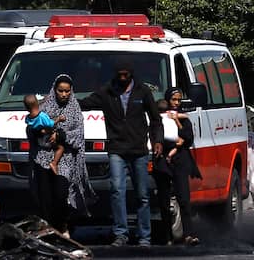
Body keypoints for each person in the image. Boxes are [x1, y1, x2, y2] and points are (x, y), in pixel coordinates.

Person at [80, 57, 162, 247]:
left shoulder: (143, 91)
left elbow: (155, 119)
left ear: (131, 73)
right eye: (120, 75)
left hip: (139, 149)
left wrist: (157, 141)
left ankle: (144, 236)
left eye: (126, 74)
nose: (123, 78)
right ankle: (121, 234)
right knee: (117, 191)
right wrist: (60, 102)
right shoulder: (107, 91)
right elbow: (85, 103)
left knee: (142, 194)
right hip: (116, 148)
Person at [28, 75, 95, 238]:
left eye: (67, 91)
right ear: (54, 90)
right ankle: (48, 230)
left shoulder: (75, 108)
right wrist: (41, 132)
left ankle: (62, 225)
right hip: (43, 157)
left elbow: (79, 134)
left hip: (65, 158)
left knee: (61, 194)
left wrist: (61, 136)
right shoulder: (43, 105)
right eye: (60, 91)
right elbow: (31, 127)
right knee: (45, 197)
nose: (64, 94)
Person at [152, 88, 201, 246]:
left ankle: (189, 234)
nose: (176, 103)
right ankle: (167, 236)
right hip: (162, 161)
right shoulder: (159, 118)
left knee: (184, 199)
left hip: (180, 161)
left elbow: (187, 138)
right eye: (174, 100)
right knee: (164, 200)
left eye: (179, 100)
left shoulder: (183, 118)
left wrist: (177, 121)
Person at [23, 94, 66, 174]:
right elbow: (50, 124)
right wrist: (58, 119)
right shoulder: (42, 116)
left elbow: (30, 125)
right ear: (37, 104)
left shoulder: (28, 117)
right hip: (47, 138)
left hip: (38, 140)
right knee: (60, 148)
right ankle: (54, 163)